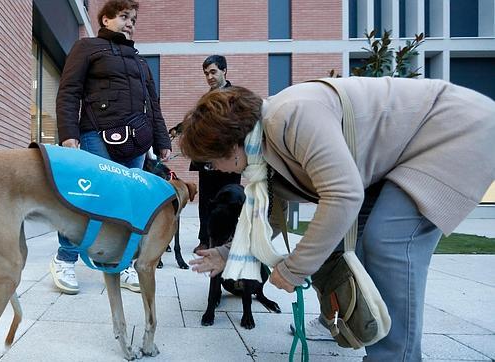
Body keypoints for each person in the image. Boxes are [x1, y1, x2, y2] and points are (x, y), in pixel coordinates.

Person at [179, 78, 495, 361]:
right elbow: (270, 220)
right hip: (391, 164)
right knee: (335, 246)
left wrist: (294, 269)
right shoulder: (262, 152)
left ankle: (395, 357)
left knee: (388, 244)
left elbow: (343, 195)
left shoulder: (291, 116)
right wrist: (226, 254)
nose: (216, 171)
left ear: (232, 145)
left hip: (453, 129)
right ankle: (343, 322)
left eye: (211, 162)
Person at [50, 0, 171, 295]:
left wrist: (162, 140)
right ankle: (64, 259)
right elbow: (69, 91)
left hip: (138, 141)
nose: (130, 22)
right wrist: (69, 134)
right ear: (105, 19)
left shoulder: (140, 62)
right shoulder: (88, 47)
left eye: (133, 18)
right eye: (123, 16)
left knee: (129, 205)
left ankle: (125, 262)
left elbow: (152, 105)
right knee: (88, 199)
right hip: (96, 134)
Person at [190, 55, 241, 253]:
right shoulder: (205, 98)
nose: (209, 77)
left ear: (224, 71)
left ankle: (229, 239)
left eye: (213, 72)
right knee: (206, 202)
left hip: (229, 159)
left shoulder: (235, 96)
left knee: (230, 200)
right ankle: (205, 240)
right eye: (206, 73)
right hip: (206, 159)